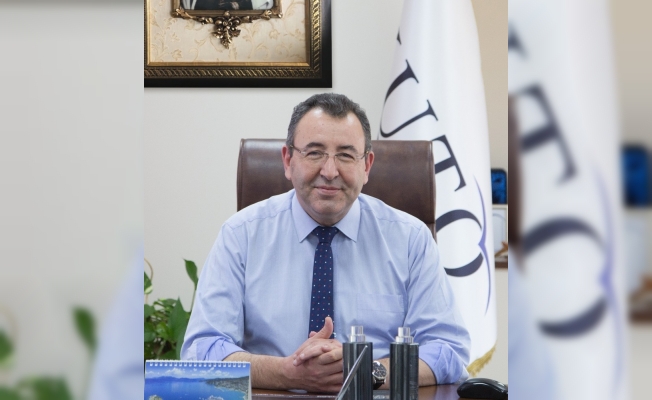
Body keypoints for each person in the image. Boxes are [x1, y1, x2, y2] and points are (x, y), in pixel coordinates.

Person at [181, 93, 470, 393]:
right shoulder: (240, 235)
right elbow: (202, 350)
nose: (330, 172)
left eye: (345, 155)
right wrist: (286, 373)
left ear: (367, 166)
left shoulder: (410, 240)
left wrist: (365, 371)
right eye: (315, 153)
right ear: (288, 160)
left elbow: (448, 350)